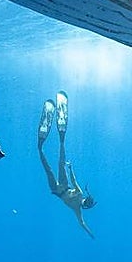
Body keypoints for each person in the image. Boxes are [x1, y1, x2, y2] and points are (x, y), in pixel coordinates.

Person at [37, 91, 95, 237]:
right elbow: (74, 181)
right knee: (61, 163)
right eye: (86, 202)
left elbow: (81, 222)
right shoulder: (80, 194)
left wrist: (90, 233)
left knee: (48, 169)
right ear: (85, 200)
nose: (84, 203)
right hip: (64, 184)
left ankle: (40, 147)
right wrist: (70, 168)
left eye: (85, 204)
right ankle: (61, 139)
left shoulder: (77, 209)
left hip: (57, 190)